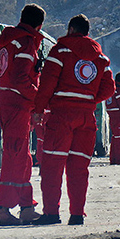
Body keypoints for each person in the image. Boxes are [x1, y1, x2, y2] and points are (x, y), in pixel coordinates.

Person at [32, 14, 114, 225]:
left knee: (52, 165)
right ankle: (77, 214)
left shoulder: (60, 51)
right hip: (86, 118)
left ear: (70, 29)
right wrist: (88, 99)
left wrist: (39, 109)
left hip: (61, 116)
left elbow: (47, 83)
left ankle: (51, 213)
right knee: (79, 168)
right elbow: (109, 88)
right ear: (86, 32)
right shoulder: (100, 58)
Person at [0, 4, 45, 225]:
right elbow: (21, 79)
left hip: (9, 104)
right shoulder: (25, 42)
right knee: (15, 158)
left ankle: (25, 206)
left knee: (22, 157)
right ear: (39, 25)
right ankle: (3, 209)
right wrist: (38, 100)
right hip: (19, 106)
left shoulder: (6, 42)